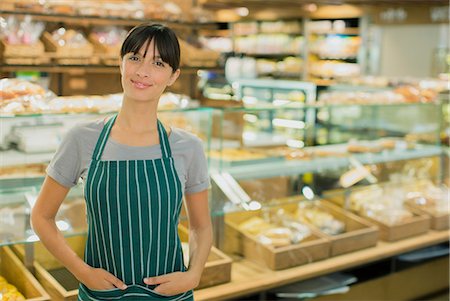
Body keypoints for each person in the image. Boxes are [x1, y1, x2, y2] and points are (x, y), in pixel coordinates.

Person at [31, 23, 213, 301]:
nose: (143, 71)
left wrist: (194, 274)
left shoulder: (188, 146)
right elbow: (42, 217)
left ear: (173, 76)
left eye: (158, 63)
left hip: (170, 296)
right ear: (121, 63)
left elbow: (201, 226)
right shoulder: (82, 138)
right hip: (102, 296)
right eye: (135, 58)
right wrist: (83, 272)